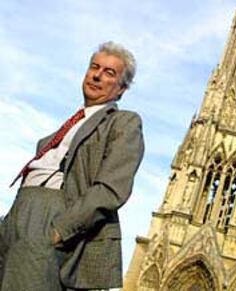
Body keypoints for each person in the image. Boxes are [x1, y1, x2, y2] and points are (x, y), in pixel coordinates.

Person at [0, 41, 144, 291]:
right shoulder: (59, 132)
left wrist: (60, 229)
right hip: (17, 214)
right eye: (94, 67)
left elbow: (112, 188)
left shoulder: (123, 122)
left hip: (52, 218)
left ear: (121, 89)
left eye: (109, 73)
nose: (97, 75)